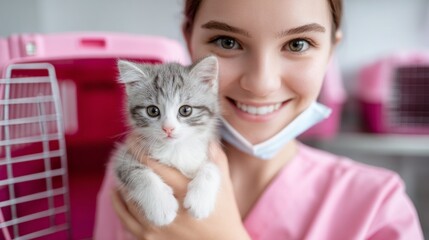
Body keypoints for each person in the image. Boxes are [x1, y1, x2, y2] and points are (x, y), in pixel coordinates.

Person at [94, 0, 424, 239]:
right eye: (227, 42)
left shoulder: (380, 208)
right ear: (189, 41)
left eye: (298, 44)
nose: (261, 83)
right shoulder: (134, 173)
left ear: (330, 52)